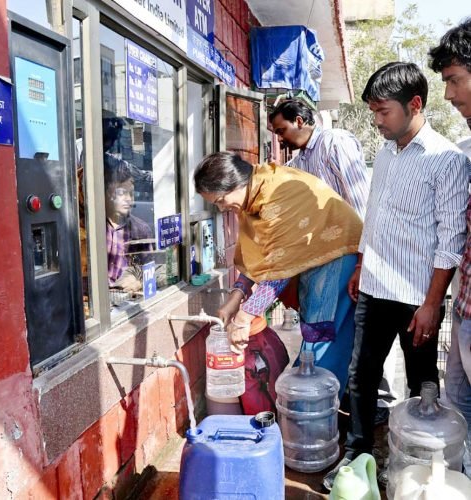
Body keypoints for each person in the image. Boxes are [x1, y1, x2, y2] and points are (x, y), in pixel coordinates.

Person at [322, 61, 469, 491]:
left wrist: (430, 304)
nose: (378, 121)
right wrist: (361, 264)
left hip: (416, 296)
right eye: (373, 112)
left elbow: (451, 239)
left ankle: (422, 463)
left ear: (415, 104)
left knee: (423, 380)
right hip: (373, 286)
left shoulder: (446, 159)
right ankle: (359, 453)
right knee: (361, 374)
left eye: (383, 111)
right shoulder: (385, 153)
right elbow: (375, 215)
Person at [270, 99, 398, 426]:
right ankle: (333, 403)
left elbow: (361, 203)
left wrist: (361, 262)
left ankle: (321, 407)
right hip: (320, 260)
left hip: (347, 256)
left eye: (282, 130)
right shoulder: (299, 162)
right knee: (334, 332)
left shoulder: (333, 142)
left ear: (300, 120)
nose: (280, 138)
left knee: (330, 333)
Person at [194, 151, 363, 399]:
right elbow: (258, 258)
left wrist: (244, 317)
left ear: (236, 183)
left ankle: (312, 408)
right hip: (310, 261)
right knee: (314, 333)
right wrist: (235, 298)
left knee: (322, 335)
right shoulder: (252, 197)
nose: (222, 208)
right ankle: (317, 405)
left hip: (335, 256)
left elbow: (278, 270)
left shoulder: (277, 194)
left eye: (221, 200)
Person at [429, 18, 471, 477]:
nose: (450, 95)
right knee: (458, 409)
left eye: (455, 80)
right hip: (464, 307)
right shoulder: (465, 149)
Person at [104, 153, 153, 294]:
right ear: (108, 193)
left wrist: (138, 282)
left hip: (127, 300)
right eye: (122, 193)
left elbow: (151, 269)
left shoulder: (140, 230)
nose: (128, 199)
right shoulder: (92, 228)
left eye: (131, 194)